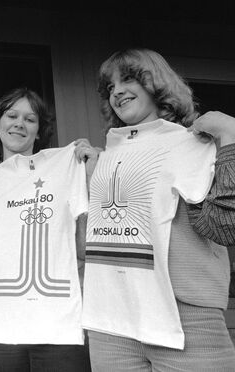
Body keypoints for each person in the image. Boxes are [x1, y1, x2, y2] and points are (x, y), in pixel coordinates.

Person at [79, 48, 235, 371]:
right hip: (112, 320)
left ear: (156, 83)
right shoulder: (106, 155)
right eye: (110, 87)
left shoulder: (189, 143)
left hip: (184, 320)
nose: (117, 91)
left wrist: (231, 139)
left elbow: (222, 226)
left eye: (128, 79)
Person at [0, 87, 92, 371]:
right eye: (12, 115)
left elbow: (85, 247)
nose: (19, 123)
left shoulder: (66, 168)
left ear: (40, 130)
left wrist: (90, 171)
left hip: (57, 328)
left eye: (30, 119)